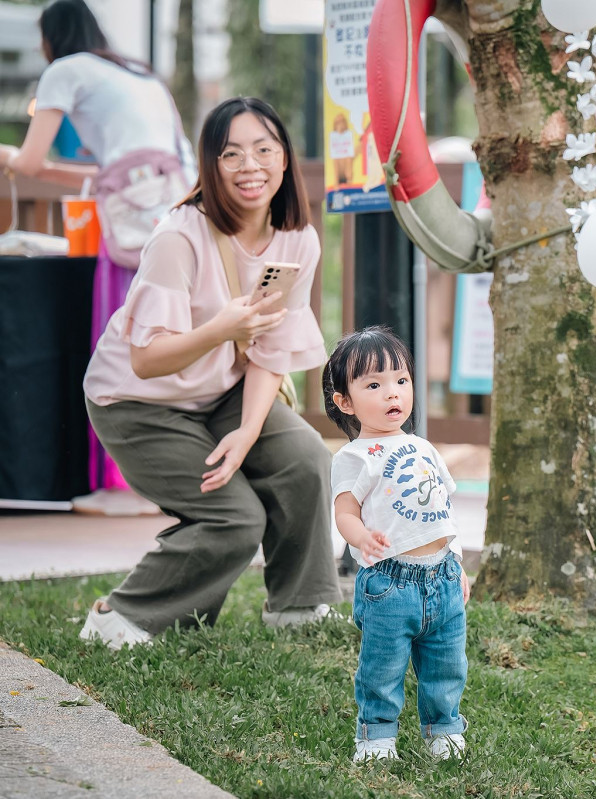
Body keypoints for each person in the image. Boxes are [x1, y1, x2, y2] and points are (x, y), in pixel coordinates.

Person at [77, 96, 341, 649]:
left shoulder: (298, 240)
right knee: (233, 518)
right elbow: (147, 361)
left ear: (285, 159)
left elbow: (271, 346)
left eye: (264, 150)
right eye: (232, 154)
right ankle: (120, 618)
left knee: (305, 458)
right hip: (137, 403)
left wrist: (246, 433)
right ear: (210, 166)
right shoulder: (179, 238)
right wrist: (220, 328)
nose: (251, 166)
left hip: (220, 390)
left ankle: (301, 607)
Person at [0, 0, 196, 516]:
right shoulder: (138, 74)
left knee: (119, 344)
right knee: (165, 341)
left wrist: (8, 157)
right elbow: (103, 172)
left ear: (50, 39)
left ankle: (121, 483)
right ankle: (164, 479)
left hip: (129, 231)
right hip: (171, 217)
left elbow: (31, 161)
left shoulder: (64, 71)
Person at [323, 326, 470, 762]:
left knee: (447, 665)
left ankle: (443, 730)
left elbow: (443, 512)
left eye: (400, 381)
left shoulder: (423, 446)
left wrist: (457, 563)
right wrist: (362, 537)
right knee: (382, 668)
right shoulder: (353, 457)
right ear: (345, 402)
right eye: (374, 384)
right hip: (389, 584)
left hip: (441, 577)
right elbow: (344, 512)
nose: (393, 394)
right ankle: (376, 737)